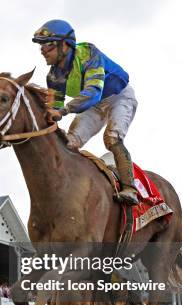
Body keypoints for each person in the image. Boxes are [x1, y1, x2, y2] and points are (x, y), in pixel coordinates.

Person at [32, 19, 139, 205]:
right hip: (93, 106)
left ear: (65, 45)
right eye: (41, 46)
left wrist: (64, 111)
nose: (42, 51)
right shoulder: (53, 76)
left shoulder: (88, 53)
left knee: (112, 138)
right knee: (70, 143)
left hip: (119, 96)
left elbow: (93, 92)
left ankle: (130, 188)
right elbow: (53, 109)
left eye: (47, 45)